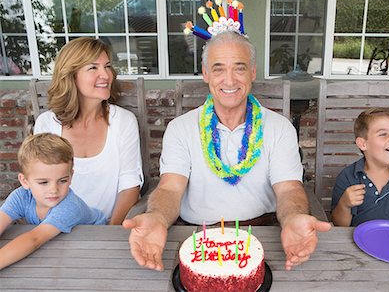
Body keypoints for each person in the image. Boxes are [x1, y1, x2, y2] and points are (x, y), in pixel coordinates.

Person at [123, 31, 331, 271]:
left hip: (264, 234)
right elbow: (170, 187)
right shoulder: (180, 128)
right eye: (219, 68)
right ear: (206, 74)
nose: (229, 80)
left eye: (239, 68)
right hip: (194, 237)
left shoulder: (279, 127)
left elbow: (289, 188)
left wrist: (294, 218)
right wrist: (157, 218)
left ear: (253, 72)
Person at [34, 37, 143, 225]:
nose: (106, 75)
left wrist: (108, 234)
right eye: (93, 68)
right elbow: (40, 187)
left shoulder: (123, 122)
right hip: (57, 229)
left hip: (110, 227)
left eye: (107, 66)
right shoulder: (47, 124)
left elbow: (129, 186)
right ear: (71, 75)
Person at [0, 133, 107, 270]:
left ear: (71, 176)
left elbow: (34, 239)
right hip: (59, 242)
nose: (54, 190)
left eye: (62, 180)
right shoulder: (21, 197)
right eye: (44, 182)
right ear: (24, 181)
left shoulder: (69, 206)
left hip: (97, 238)